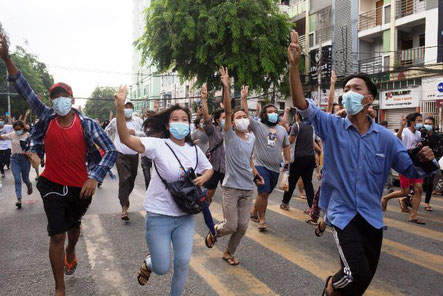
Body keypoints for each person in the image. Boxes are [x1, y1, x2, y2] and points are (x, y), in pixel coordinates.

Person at [287, 30, 437, 296]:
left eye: (356, 89)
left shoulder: (387, 139)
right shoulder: (332, 126)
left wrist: (428, 161)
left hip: (371, 216)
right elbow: (301, 103)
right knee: (356, 274)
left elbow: (410, 170)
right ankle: (330, 287)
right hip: (342, 215)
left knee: (362, 282)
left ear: (369, 100)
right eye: (346, 90)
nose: (349, 94)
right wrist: (294, 66)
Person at [0, 33, 117, 296]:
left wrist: (94, 177)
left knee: (73, 228)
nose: (59, 100)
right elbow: (24, 88)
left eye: (64, 96)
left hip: (81, 185)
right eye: (55, 97)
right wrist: (7, 58)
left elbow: (110, 150)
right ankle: (59, 288)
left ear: (72, 101)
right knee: (56, 234)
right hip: (51, 182)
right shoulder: (46, 116)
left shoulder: (86, 124)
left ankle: (72, 251)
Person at [113, 86, 213, 296]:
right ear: (168, 125)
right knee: (162, 267)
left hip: (185, 215)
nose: (180, 122)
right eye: (175, 119)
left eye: (184, 119)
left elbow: (209, 168)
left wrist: (203, 177)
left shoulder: (193, 149)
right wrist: (120, 109)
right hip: (159, 215)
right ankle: (149, 264)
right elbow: (126, 139)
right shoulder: (157, 145)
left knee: (183, 263)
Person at [206, 69, 264, 266]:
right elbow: (229, 112)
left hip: (248, 188)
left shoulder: (252, 137)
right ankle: (215, 232)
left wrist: (256, 174)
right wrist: (227, 87)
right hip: (231, 187)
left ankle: (228, 252)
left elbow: (249, 159)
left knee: (243, 226)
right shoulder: (229, 136)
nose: (240, 118)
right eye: (236, 116)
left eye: (243, 116)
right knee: (230, 225)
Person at [242, 89, 290, 231]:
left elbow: (286, 145)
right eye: (269, 111)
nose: (273, 113)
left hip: (275, 168)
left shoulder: (282, 130)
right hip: (259, 166)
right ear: (264, 114)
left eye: (274, 111)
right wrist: (244, 98)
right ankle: (262, 219)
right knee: (263, 192)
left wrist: (287, 161)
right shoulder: (258, 126)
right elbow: (246, 114)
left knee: (266, 192)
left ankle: (254, 211)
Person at [381, 113, 426, 224]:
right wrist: (401, 127)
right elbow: (398, 138)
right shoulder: (405, 131)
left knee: (419, 188)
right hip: (405, 163)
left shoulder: (419, 133)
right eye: (418, 120)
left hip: (417, 164)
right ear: (411, 121)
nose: (420, 122)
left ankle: (413, 215)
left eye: (421, 120)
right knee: (404, 191)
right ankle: (385, 198)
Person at [105, 101, 145, 220]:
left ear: (132, 109)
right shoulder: (115, 120)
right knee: (124, 179)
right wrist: (110, 145)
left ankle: (125, 199)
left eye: (129, 107)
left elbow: (146, 134)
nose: (127, 109)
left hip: (134, 154)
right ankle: (124, 208)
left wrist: (136, 132)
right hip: (120, 154)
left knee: (131, 180)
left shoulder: (138, 121)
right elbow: (107, 131)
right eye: (125, 107)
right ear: (121, 109)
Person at [280, 111, 316, 214]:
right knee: (308, 183)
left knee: (292, 182)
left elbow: (290, 140)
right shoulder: (311, 126)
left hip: (298, 158)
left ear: (298, 115)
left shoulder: (297, 125)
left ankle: (285, 203)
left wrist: (282, 139)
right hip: (310, 158)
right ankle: (312, 207)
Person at [201, 84, 226, 203]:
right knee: (209, 194)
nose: (227, 120)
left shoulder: (235, 132)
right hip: (214, 167)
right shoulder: (213, 131)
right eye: (224, 117)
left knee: (228, 197)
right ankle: (206, 214)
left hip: (228, 168)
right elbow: (206, 119)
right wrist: (204, 100)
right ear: (217, 120)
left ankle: (228, 220)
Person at [0, 120, 32, 208]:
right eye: (16, 129)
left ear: (23, 128)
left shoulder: (27, 135)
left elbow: (32, 145)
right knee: (17, 180)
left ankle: (29, 185)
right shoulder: (12, 134)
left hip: (25, 159)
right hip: (14, 159)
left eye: (19, 129)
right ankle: (19, 199)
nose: (18, 131)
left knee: (25, 179)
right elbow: (2, 137)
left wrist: (30, 151)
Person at [422, 116, 442, 211]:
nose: (427, 125)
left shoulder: (437, 137)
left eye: (429, 124)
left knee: (429, 183)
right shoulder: (420, 134)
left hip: (433, 162)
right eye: (426, 123)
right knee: (418, 184)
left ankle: (426, 202)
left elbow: (440, 150)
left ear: (433, 125)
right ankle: (409, 198)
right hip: (420, 162)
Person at [140, 110, 156, 189]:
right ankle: (148, 192)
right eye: (146, 116)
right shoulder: (142, 127)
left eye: (148, 116)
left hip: (154, 157)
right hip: (145, 156)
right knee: (147, 177)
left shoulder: (157, 129)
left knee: (155, 178)